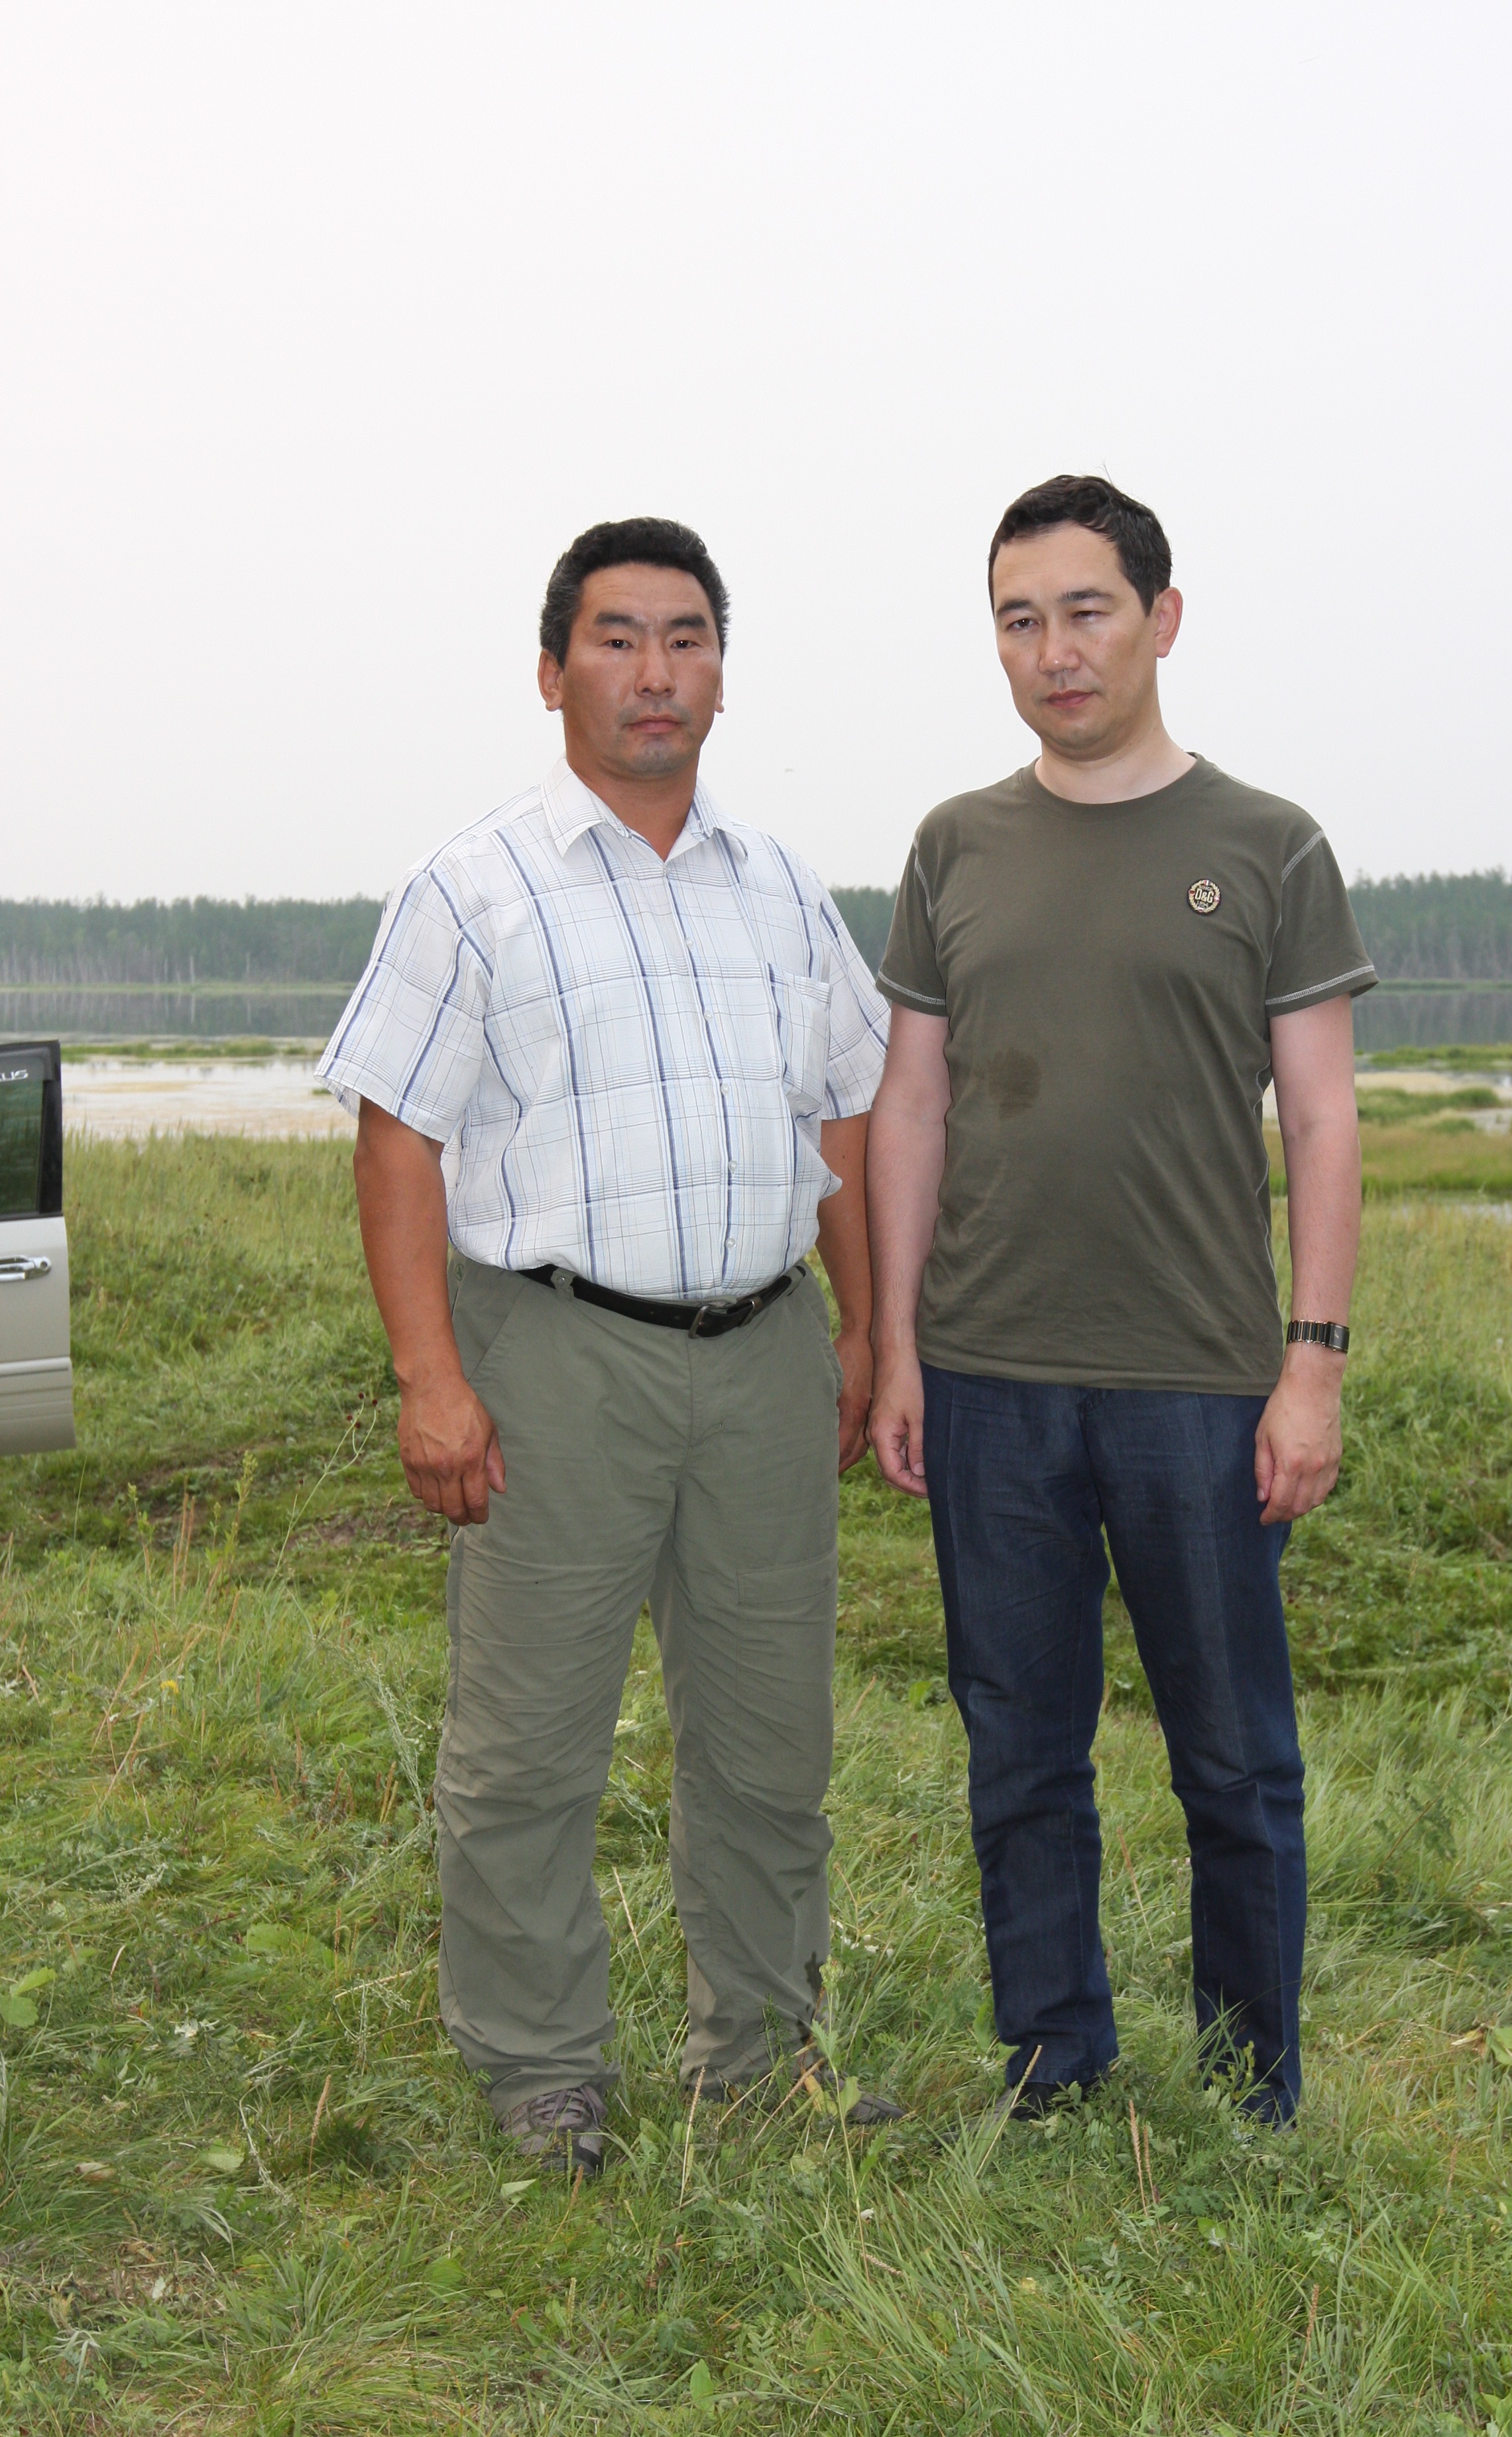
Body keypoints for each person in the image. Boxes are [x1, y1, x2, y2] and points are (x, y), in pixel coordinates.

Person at [320, 516, 900, 2175]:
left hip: (767, 1352)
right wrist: (433, 1378)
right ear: (552, 670)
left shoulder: (780, 887)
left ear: (722, 673)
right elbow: (398, 1139)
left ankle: (759, 2057)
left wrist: (869, 1330)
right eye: (619, 637)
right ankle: (540, 2068)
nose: (657, 672)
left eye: (688, 638)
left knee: (770, 1739)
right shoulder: (475, 887)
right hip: (557, 1357)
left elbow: (846, 1118)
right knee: (528, 1743)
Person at [866, 474, 1372, 2127]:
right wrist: (895, 1348)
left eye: (1086, 612)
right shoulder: (954, 846)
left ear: (1162, 619)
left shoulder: (1267, 845)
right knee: (1021, 1751)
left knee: (1234, 1759)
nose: (1055, 651)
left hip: (1200, 1383)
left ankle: (1249, 2088)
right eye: (1020, 621)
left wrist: (1313, 1364)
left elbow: (1322, 1122)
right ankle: (1055, 2068)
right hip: (988, 1375)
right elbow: (911, 1108)